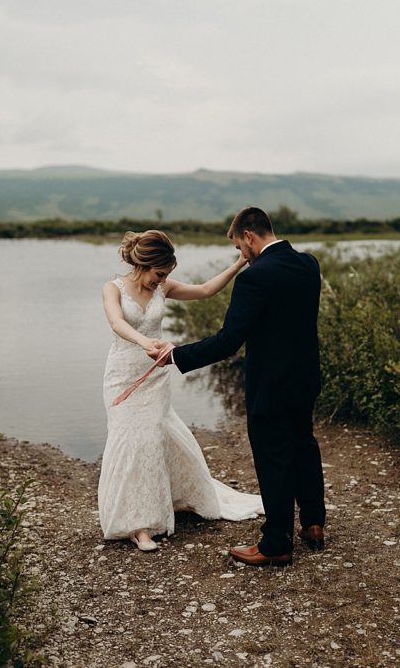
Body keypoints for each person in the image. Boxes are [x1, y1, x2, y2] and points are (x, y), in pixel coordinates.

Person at [149, 207, 326, 567]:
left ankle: (276, 542)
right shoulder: (309, 265)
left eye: (237, 247)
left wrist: (176, 356)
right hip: (306, 376)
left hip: (270, 384)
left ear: (248, 235)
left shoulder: (254, 278)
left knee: (273, 455)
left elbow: (228, 341)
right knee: (303, 443)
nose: (240, 255)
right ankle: (313, 522)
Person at [99, 229, 262, 552]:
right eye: (158, 275)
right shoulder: (112, 288)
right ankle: (138, 525)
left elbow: (204, 291)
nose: (160, 282)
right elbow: (117, 323)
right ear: (144, 264)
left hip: (156, 375)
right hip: (121, 375)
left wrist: (238, 265)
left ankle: (172, 498)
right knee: (132, 442)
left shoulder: (163, 286)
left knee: (156, 437)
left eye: (166, 276)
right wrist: (145, 341)